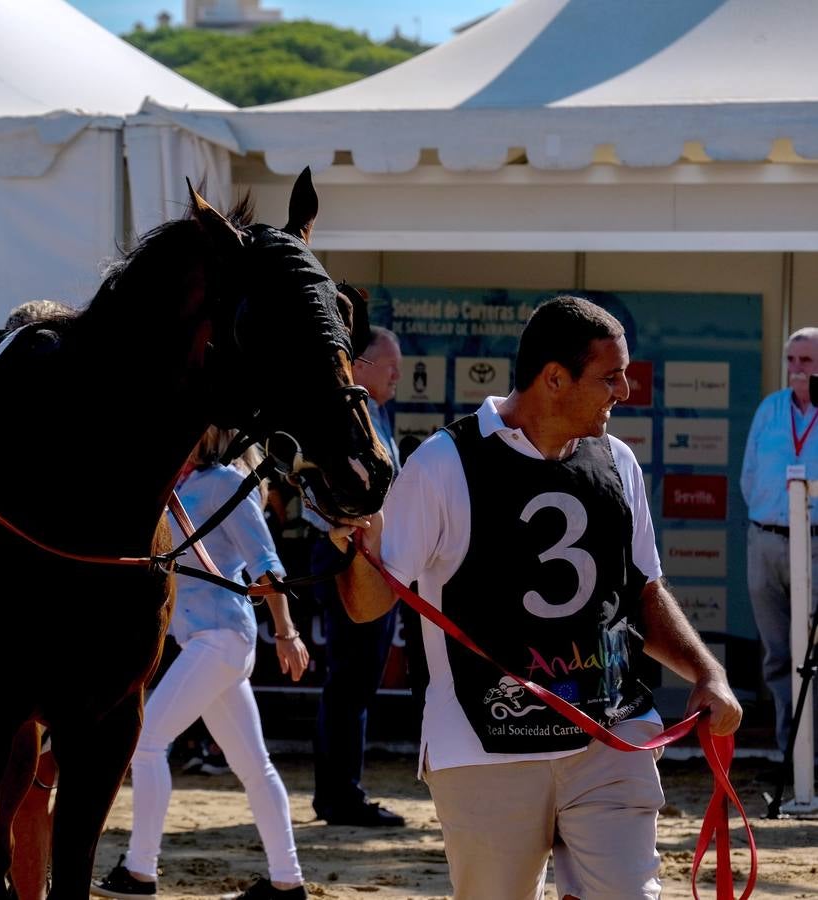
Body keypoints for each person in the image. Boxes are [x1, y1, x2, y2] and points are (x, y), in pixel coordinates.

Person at [336, 296, 741, 899]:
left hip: (612, 735)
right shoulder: (444, 464)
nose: (625, 391)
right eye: (611, 376)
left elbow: (643, 591)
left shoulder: (618, 461)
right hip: (483, 748)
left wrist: (707, 673)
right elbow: (367, 605)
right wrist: (361, 549)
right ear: (554, 378)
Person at [94, 427, 311, 900]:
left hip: (221, 636)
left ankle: (140, 872)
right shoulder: (178, 484)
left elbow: (265, 561)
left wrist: (286, 631)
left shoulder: (225, 483)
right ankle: (287, 882)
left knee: (148, 742)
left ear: (214, 434)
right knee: (256, 767)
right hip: (207, 638)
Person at [308, 311, 405, 827]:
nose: (397, 376)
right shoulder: (340, 414)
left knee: (358, 683)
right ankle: (340, 795)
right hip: (349, 557)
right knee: (348, 682)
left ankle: (343, 789)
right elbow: (316, 491)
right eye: (390, 366)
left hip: (379, 562)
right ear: (360, 364)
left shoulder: (378, 416)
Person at [741, 325, 818, 750]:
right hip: (766, 541)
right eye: (791, 360)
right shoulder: (770, 408)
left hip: (816, 544)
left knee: (814, 655)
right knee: (777, 655)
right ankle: (791, 753)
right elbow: (749, 477)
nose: (796, 369)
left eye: (805, 360)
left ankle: (815, 756)